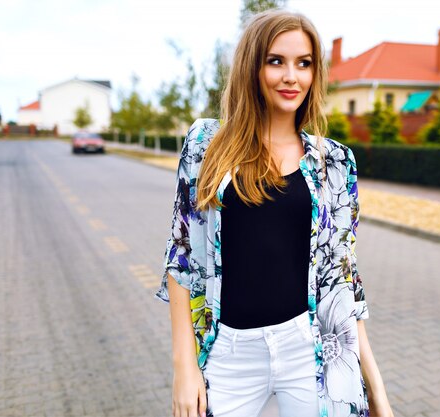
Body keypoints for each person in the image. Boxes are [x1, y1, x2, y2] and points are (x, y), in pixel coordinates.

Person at [154, 9, 394, 417]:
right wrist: (185, 367)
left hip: (309, 347)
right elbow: (182, 258)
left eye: (304, 63)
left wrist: (377, 391)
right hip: (229, 350)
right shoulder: (205, 145)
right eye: (276, 61)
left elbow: (344, 280)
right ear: (252, 65)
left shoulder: (334, 163)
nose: (291, 76)